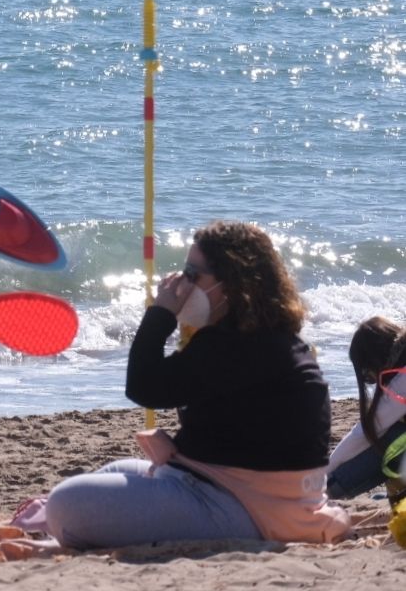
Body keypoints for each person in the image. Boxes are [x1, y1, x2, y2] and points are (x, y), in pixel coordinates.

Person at [43, 221, 349, 549]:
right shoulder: (266, 339)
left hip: (247, 506)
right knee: (115, 471)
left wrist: (161, 314)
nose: (182, 282)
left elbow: (144, 387)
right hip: (251, 492)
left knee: (65, 505)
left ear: (230, 283)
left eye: (192, 273)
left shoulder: (236, 346)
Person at [326, 316, 406, 499]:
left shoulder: (402, 380)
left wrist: (326, 471)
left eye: (367, 373)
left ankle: (328, 490)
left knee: (390, 442)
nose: (368, 379)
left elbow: (365, 432)